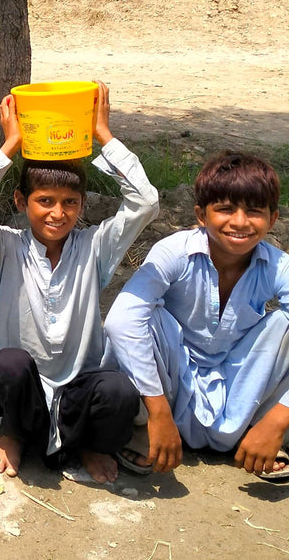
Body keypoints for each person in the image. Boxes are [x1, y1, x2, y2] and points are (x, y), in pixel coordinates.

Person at [0, 82, 159, 483]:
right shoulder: (7, 248)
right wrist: (11, 144)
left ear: (82, 205)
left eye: (70, 203)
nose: (58, 213)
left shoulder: (95, 247)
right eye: (45, 200)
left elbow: (145, 203)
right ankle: (13, 435)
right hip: (16, 391)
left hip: (77, 391)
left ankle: (88, 445)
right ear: (20, 201)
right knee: (10, 362)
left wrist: (104, 136)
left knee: (119, 391)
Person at [104, 151, 289, 481]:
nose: (240, 222)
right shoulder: (175, 251)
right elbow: (120, 321)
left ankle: (265, 434)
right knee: (144, 316)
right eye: (226, 209)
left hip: (239, 387)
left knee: (282, 325)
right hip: (173, 382)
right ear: (201, 215)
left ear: (272, 219)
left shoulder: (277, 265)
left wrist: (279, 418)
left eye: (254, 212)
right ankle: (142, 429)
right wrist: (158, 412)